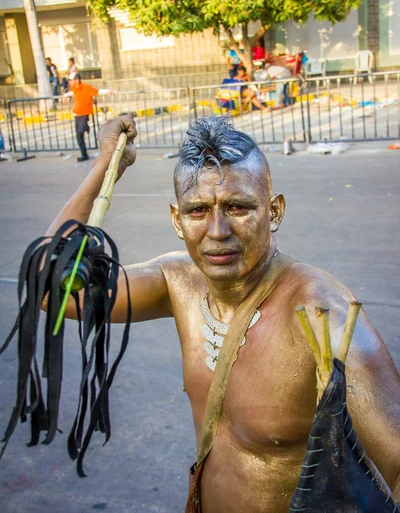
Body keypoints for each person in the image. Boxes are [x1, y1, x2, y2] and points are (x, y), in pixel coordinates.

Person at [47, 114, 400, 513]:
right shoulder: (178, 281)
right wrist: (104, 166)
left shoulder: (320, 312)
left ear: (275, 211)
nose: (217, 231)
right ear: (176, 220)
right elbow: (52, 289)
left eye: (237, 207)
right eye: (198, 211)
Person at [63, 74, 114, 162]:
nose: (69, 82)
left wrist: (107, 91)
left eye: (70, 80)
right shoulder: (74, 89)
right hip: (76, 115)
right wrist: (65, 95)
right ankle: (84, 154)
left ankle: (86, 127)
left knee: (80, 131)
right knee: (79, 136)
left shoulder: (86, 87)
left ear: (76, 80)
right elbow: (73, 93)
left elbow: (97, 91)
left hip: (84, 115)